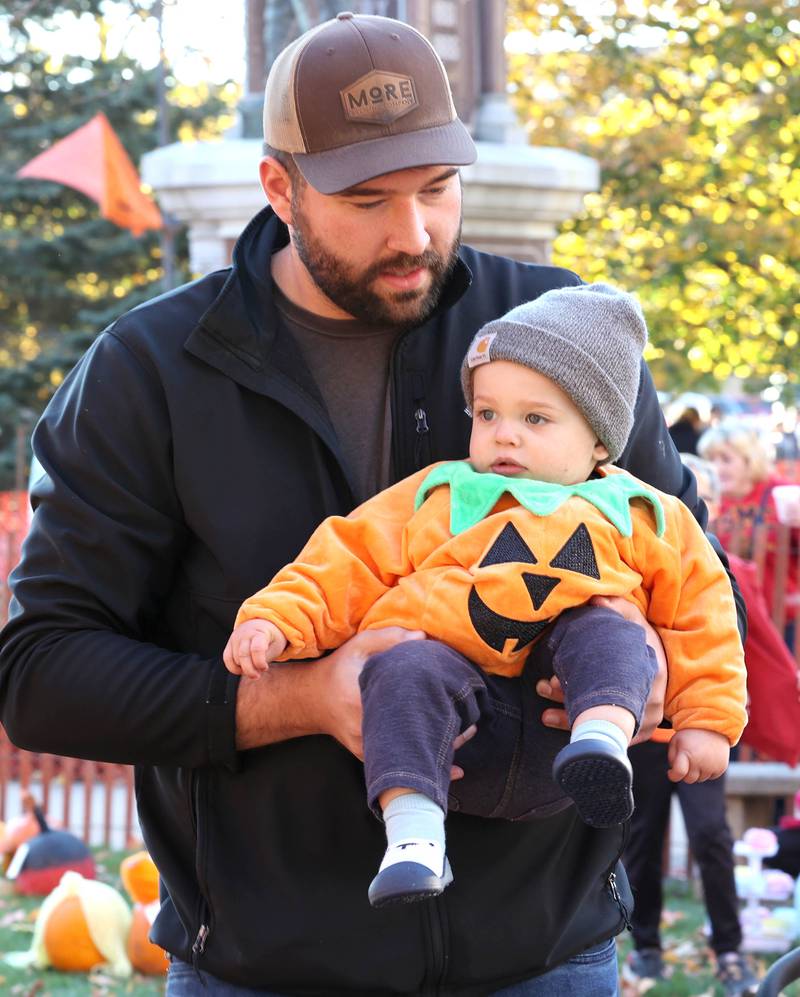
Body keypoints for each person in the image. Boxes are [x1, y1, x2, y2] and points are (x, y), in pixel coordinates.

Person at [0, 11, 744, 996]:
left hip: (546, 958)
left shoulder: (558, 337)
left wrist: (647, 671)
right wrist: (299, 697)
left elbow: (688, 564)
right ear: (279, 186)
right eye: (365, 198)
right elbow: (43, 671)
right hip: (263, 969)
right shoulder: (149, 374)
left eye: (437, 188)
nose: (414, 232)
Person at [225, 286, 746, 908]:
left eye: (536, 419)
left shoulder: (642, 515)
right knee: (402, 667)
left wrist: (708, 721)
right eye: (487, 414)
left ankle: (601, 742)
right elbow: (345, 559)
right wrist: (275, 618)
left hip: (562, 729)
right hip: (460, 728)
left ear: (600, 441)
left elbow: (703, 616)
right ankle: (414, 841)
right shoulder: (440, 497)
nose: (505, 437)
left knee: (610, 628)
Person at [623, 455, 760, 997]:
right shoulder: (630, 546)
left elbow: (731, 640)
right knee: (642, 836)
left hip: (699, 727)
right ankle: (648, 947)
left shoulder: (709, 567)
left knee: (711, 834)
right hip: (643, 733)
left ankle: (730, 949)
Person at [698, 419, 800, 649]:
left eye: (726, 459)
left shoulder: (781, 493)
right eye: (711, 459)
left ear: (749, 460)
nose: (717, 468)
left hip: (780, 618)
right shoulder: (709, 498)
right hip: (730, 615)